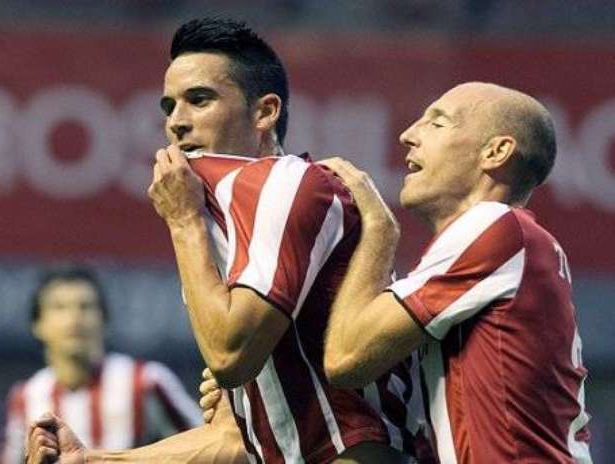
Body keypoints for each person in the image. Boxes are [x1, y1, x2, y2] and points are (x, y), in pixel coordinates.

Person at [26, 18, 429, 464]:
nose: (176, 123)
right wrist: (93, 460)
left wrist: (184, 222)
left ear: (265, 112)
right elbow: (233, 439)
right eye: (169, 107)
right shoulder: (223, 227)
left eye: (199, 100)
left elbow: (229, 356)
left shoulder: (292, 185)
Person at [319, 82, 593, 463]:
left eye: (437, 123)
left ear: (496, 152)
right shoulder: (509, 245)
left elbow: (347, 357)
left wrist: (379, 229)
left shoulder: (495, 226)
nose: (408, 134)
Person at [0, 266, 201, 464]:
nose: (74, 318)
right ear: (37, 324)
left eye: (85, 306)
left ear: (104, 320)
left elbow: (206, 447)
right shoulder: (25, 396)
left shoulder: (147, 380)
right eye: (60, 307)